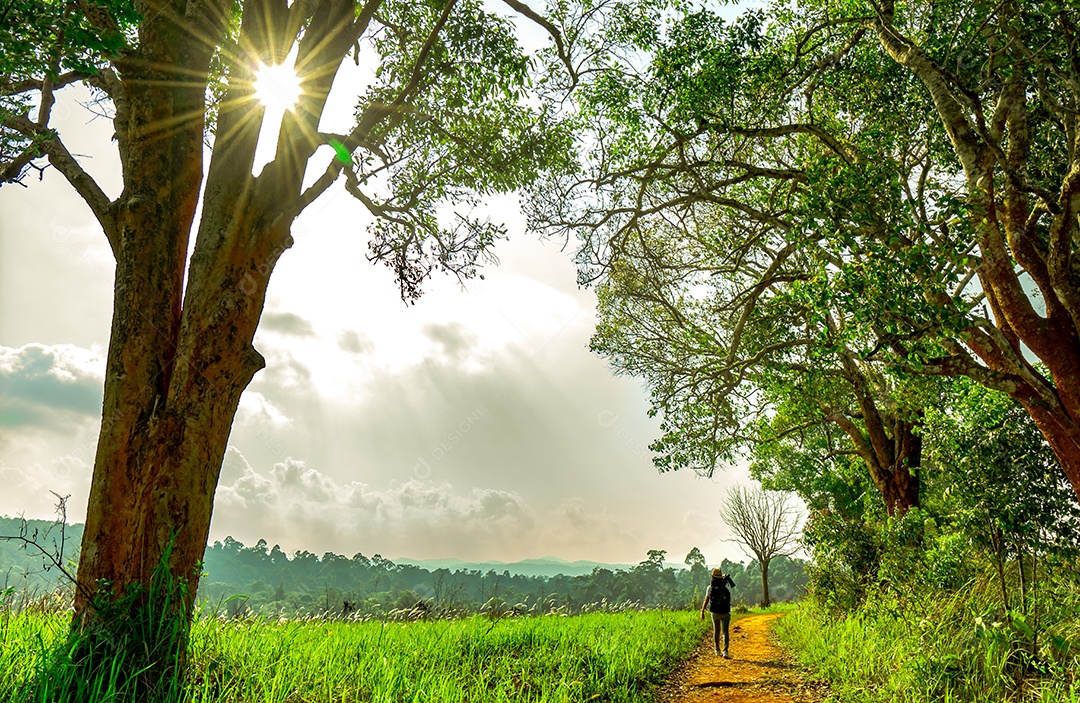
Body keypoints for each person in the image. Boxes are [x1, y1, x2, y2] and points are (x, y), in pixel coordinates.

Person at [700, 567, 736, 658]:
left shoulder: (710, 588)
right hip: (725, 612)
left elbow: (706, 600)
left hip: (715, 612)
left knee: (716, 631)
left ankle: (717, 650)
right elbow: (729, 599)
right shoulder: (725, 587)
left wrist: (702, 611)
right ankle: (725, 651)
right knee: (725, 632)